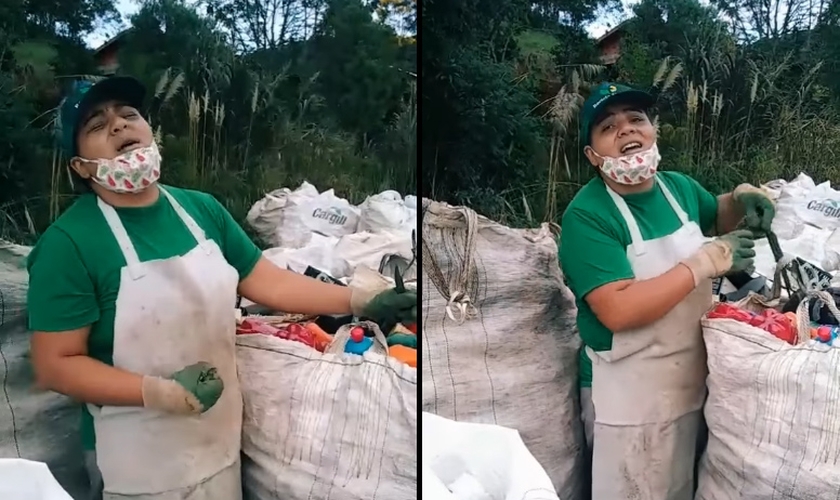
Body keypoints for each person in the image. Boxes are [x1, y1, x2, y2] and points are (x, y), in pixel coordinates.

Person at [26, 76, 417, 500]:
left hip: (218, 442)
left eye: (129, 114)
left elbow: (269, 283)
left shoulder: (201, 210)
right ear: (80, 166)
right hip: (137, 464)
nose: (119, 125)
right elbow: (56, 365)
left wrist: (361, 298)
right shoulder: (69, 244)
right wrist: (158, 391)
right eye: (97, 125)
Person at [558, 82, 775, 500]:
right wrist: (705, 263)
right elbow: (617, 310)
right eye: (608, 127)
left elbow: (719, 212)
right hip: (628, 400)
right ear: (592, 155)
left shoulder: (678, 189)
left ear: (654, 131)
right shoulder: (588, 217)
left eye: (636, 119)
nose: (626, 130)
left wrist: (745, 195)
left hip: (690, 382)